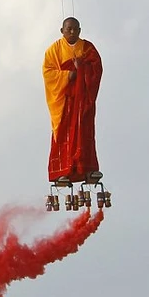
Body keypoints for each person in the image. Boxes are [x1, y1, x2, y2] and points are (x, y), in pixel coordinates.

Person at [42, 16, 103, 183]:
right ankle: (61, 172)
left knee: (85, 134)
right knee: (64, 135)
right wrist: (69, 74)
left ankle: (89, 170)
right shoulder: (54, 50)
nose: (72, 31)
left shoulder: (87, 48)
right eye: (68, 29)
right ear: (62, 31)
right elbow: (48, 72)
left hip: (83, 101)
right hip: (65, 102)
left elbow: (96, 68)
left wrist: (82, 68)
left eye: (75, 29)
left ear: (80, 31)